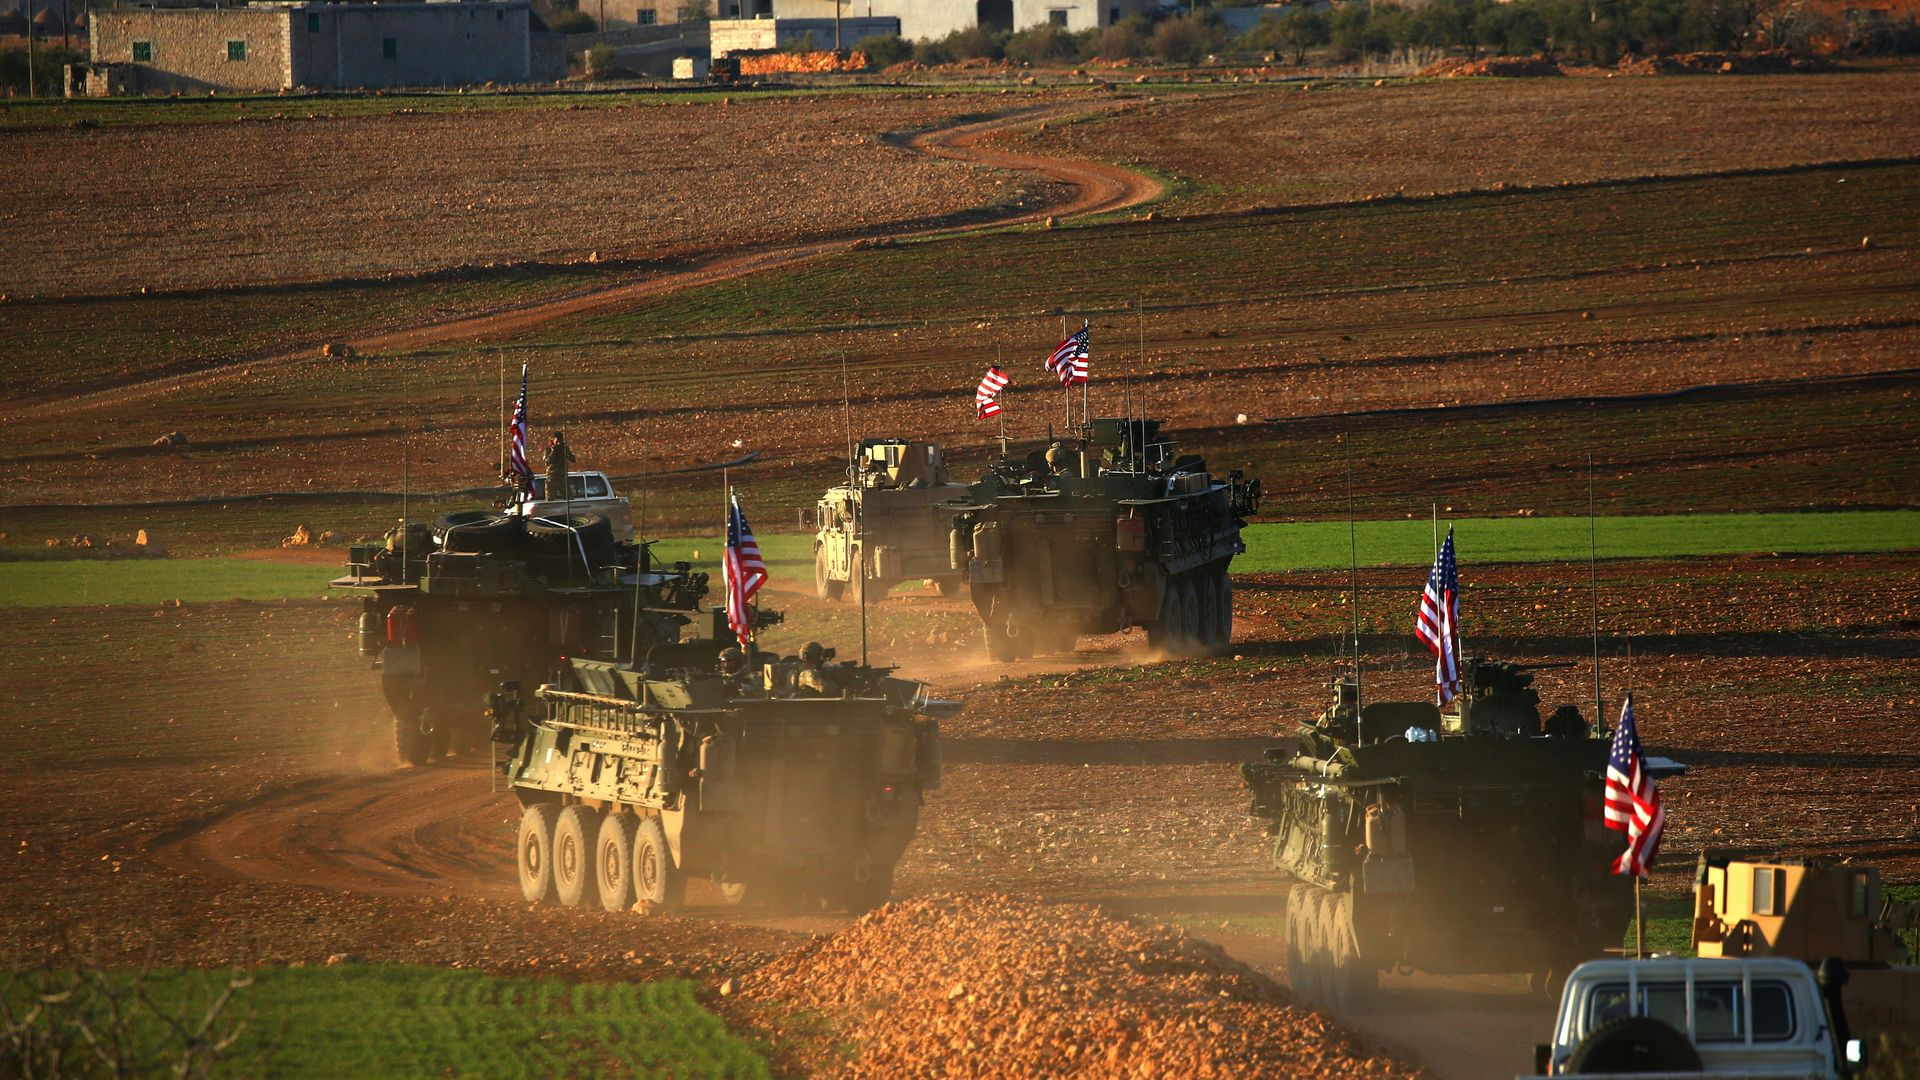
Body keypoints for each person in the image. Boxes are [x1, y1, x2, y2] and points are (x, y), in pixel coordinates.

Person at [545, 432, 576, 502]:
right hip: (552, 477)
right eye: (557, 442)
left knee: (569, 498)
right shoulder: (549, 449)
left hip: (562, 477)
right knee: (550, 499)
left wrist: (566, 453)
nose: (558, 443)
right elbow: (547, 462)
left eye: (560, 442)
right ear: (553, 440)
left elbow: (573, 459)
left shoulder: (564, 448)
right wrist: (553, 451)